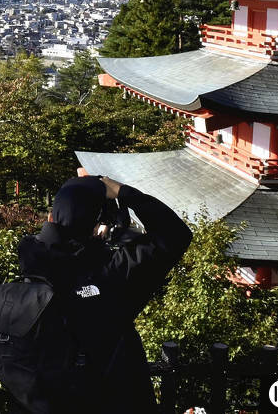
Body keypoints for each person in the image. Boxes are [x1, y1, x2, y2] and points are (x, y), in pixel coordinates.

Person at [17, 175, 192, 413]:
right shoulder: (114, 273)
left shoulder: (32, 267)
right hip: (120, 399)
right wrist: (123, 192)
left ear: (50, 218)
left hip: (54, 400)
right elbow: (175, 234)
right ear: (98, 228)